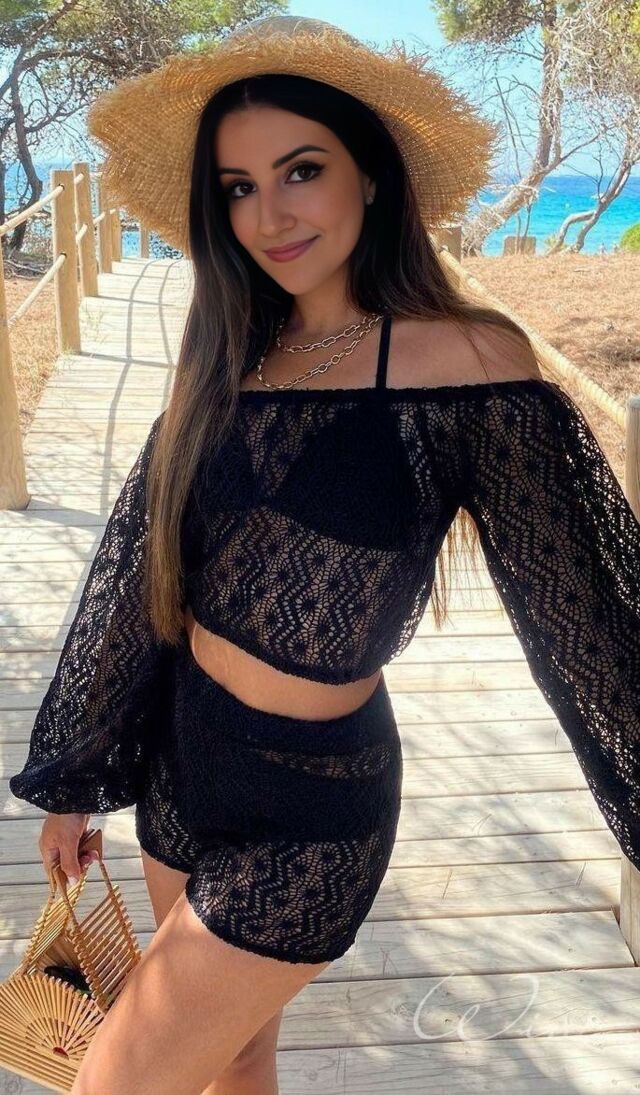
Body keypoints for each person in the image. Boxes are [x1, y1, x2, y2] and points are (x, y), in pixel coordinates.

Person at [9, 14, 640, 1094]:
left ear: (373, 178)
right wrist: (78, 775)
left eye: (301, 170)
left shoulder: (467, 362)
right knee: (236, 1057)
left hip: (313, 805)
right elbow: (138, 569)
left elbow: (585, 614)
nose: (270, 212)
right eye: (238, 187)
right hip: (179, 762)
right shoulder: (230, 353)